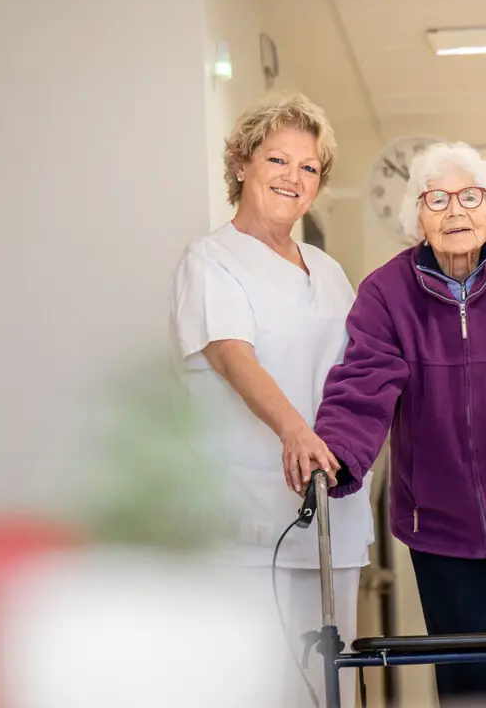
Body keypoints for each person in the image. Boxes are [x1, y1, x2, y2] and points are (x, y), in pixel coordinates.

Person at [287, 141, 486, 706]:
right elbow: (363, 380)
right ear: (417, 218)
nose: (454, 211)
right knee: (470, 687)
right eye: (436, 199)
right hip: (437, 524)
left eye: (469, 197)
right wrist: (336, 450)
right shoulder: (387, 294)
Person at [168, 92, 372, 708]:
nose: (292, 178)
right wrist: (294, 429)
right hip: (246, 519)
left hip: (335, 514)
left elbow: (364, 370)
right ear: (240, 164)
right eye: (277, 160)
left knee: (328, 690)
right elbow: (234, 355)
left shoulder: (329, 270)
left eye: (308, 168)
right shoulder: (210, 259)